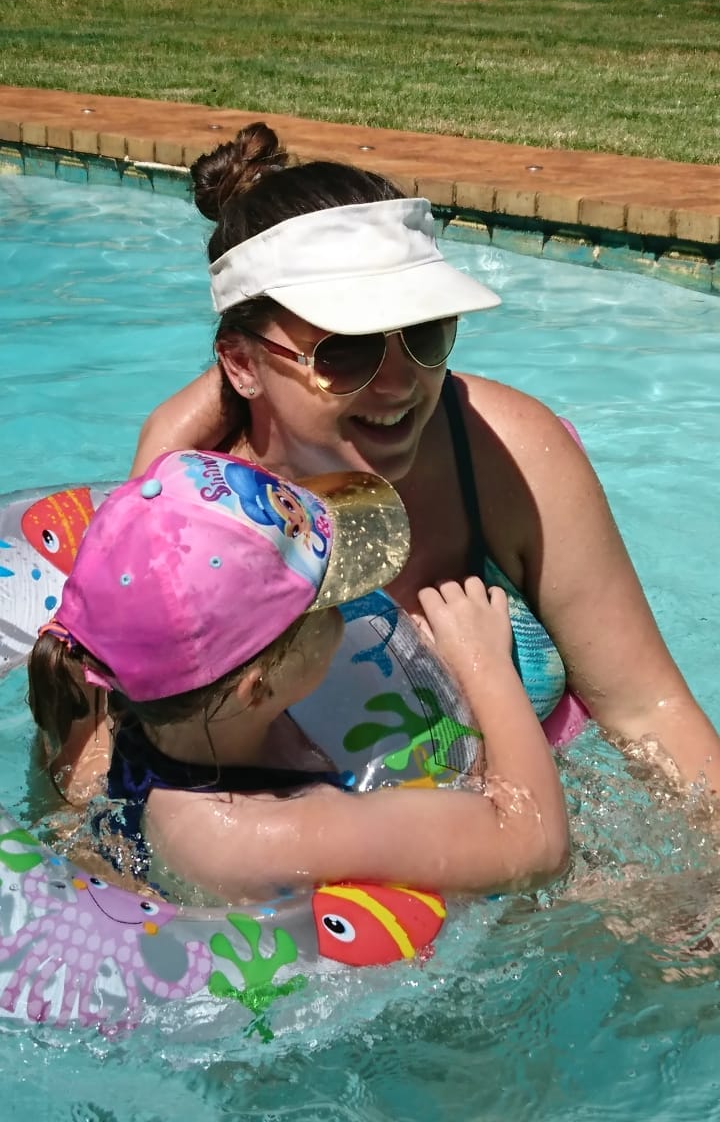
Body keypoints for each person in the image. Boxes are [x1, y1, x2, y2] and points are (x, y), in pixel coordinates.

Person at [125, 122, 720, 807]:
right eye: (346, 350)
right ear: (240, 363)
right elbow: (119, 779)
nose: (402, 383)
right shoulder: (194, 520)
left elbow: (648, 711)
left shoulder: (505, 451)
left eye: (425, 330)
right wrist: (155, 463)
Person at [27, 449, 568, 903]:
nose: (351, 607)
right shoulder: (256, 832)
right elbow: (535, 845)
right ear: (258, 686)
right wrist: (484, 663)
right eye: (329, 603)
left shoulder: (114, 686)